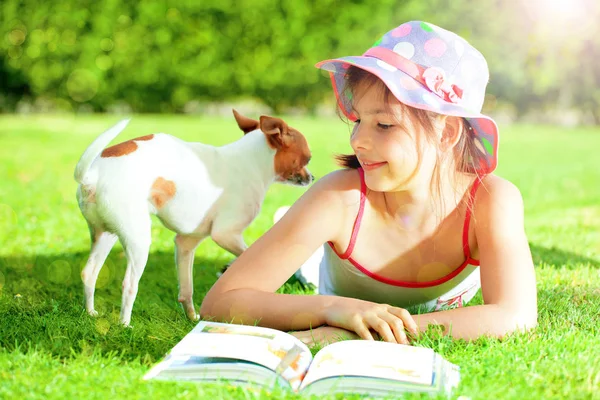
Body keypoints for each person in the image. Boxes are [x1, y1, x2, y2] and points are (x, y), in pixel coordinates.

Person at [200, 21, 537, 345]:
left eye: (385, 125)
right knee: (307, 260)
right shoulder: (339, 198)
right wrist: (334, 308)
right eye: (358, 119)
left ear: (446, 133)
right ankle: (301, 240)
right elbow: (221, 302)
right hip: (332, 265)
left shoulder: (491, 199)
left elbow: (515, 315)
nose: (357, 140)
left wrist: (373, 331)